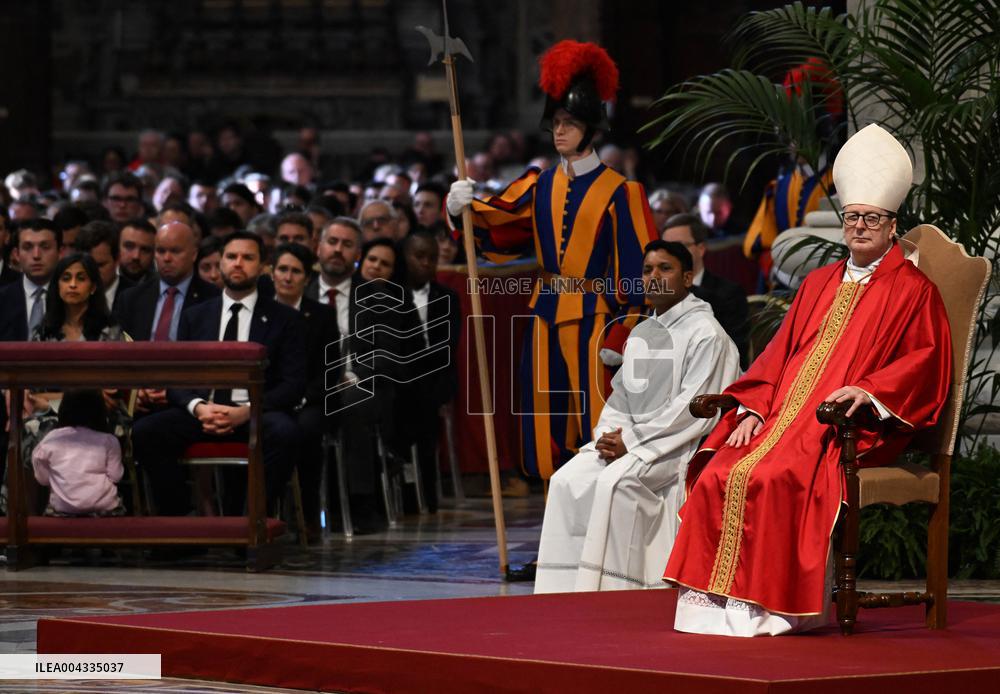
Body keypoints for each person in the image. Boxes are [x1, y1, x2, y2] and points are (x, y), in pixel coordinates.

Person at [663, 124, 953, 636]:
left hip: (841, 427)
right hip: (780, 418)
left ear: (892, 226)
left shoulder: (913, 290)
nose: (859, 226)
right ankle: (718, 604)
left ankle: (770, 606)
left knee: (777, 477)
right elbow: (777, 355)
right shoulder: (818, 281)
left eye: (871, 218)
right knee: (720, 470)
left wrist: (869, 391)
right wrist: (751, 408)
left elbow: (926, 360)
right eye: (852, 217)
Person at [447, 40, 657, 481]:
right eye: (556, 122)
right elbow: (500, 225)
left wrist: (625, 331)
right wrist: (463, 207)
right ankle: (553, 524)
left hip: (596, 320)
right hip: (544, 311)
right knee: (543, 422)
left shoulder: (622, 192)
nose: (559, 131)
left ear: (590, 128)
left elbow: (640, 271)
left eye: (570, 123)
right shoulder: (538, 183)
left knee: (596, 419)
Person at [535, 241, 740, 593]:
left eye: (665, 268)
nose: (654, 277)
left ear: (688, 277)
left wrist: (630, 441)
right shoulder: (643, 332)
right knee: (566, 480)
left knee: (616, 484)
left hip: (679, 447)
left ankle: (618, 592)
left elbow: (693, 409)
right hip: (633, 441)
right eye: (647, 270)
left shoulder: (707, 333)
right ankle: (564, 592)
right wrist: (608, 434)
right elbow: (622, 396)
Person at [131, 231, 307, 513]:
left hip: (255, 413)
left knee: (286, 433)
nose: (238, 263)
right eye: (231, 257)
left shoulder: (283, 318)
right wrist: (199, 407)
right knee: (145, 432)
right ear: (221, 262)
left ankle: (253, 522)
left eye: (248, 258)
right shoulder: (196, 315)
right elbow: (177, 378)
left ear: (263, 267)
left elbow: (293, 384)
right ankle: (180, 525)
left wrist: (247, 411)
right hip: (204, 412)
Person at [271, 242, 339, 540]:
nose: (288, 277)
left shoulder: (321, 315)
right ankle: (264, 512)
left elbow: (329, 370)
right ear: (271, 274)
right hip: (269, 397)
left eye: (295, 271)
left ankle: (308, 513)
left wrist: (300, 397)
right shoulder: (261, 310)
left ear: (306, 279)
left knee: (307, 429)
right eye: (282, 269)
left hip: (310, 398)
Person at [662, 213, 750, 366]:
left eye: (678, 247)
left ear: (701, 248)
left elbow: (735, 354)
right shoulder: (653, 295)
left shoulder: (729, 294)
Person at [32, 389, 125, 517]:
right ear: (101, 411)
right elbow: (116, 476)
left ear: (63, 408)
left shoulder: (52, 438)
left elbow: (42, 479)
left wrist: (61, 477)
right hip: (103, 507)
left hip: (62, 508)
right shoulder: (109, 440)